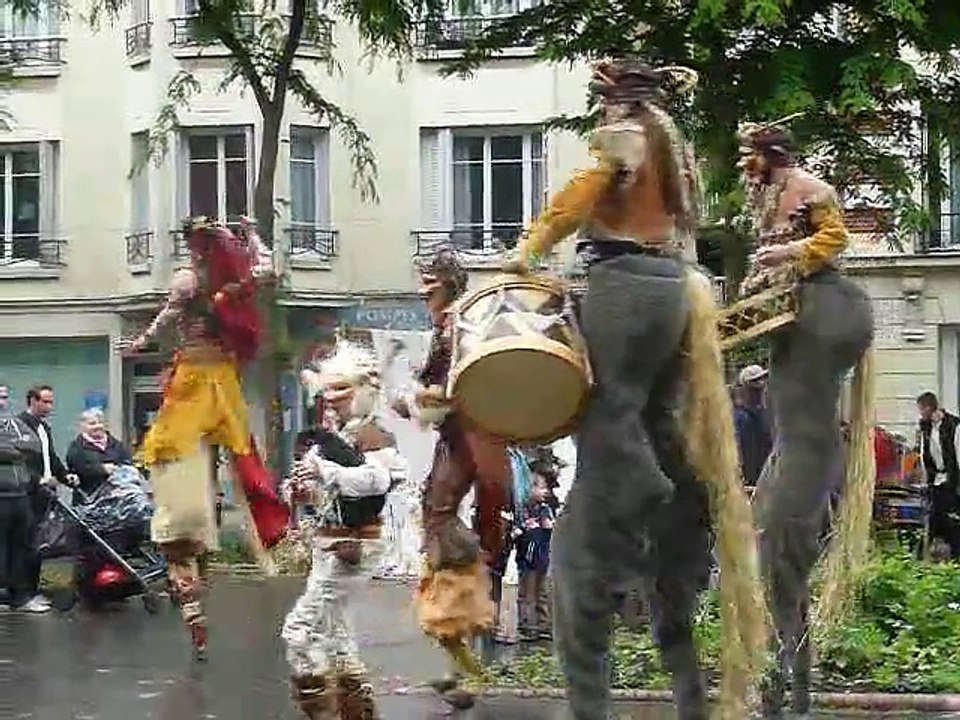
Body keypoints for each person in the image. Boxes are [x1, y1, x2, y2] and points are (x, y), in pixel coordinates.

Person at [503, 58, 767, 720]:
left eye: (600, 98)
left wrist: (532, 245)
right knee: (651, 410)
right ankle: (672, 478)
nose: (597, 109)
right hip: (671, 283)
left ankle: (643, 481)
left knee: (610, 411)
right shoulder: (668, 137)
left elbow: (586, 188)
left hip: (623, 280)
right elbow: (689, 213)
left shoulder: (626, 132)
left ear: (616, 96)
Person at [736, 115, 876, 717]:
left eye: (749, 157)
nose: (744, 166)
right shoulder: (766, 197)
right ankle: (787, 682)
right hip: (806, 317)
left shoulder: (808, 190)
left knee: (780, 539)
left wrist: (785, 252)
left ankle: (787, 681)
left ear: (770, 156)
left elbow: (832, 240)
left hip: (823, 309)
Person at [120, 218, 289, 659]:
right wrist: (254, 236)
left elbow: (170, 313)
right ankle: (253, 541)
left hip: (195, 383)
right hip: (224, 385)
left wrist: (141, 341)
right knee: (241, 457)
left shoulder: (191, 279)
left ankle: (192, 589)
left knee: (175, 460)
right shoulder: (233, 280)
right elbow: (269, 269)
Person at [394, 248, 513, 710]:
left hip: (472, 438)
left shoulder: (459, 324)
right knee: (442, 532)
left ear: (445, 282)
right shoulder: (447, 325)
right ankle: (460, 665)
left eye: (430, 280)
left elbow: (457, 386)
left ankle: (468, 664)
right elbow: (438, 390)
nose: (424, 289)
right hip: (460, 439)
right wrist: (420, 402)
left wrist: (424, 400)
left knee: (457, 539)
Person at [282, 339, 407, 720]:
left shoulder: (374, 434)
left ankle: (322, 713)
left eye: (341, 389)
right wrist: (301, 488)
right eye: (328, 390)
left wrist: (326, 471)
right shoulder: (337, 434)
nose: (332, 398)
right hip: (330, 543)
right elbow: (317, 491)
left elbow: (375, 481)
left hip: (353, 545)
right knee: (337, 638)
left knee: (299, 634)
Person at [18, 384, 73, 614]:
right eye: (46, 402)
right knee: (28, 544)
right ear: (33, 400)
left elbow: (51, 457)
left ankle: (33, 590)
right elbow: (20, 461)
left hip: (45, 495)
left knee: (40, 544)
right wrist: (38, 480)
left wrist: (65, 476)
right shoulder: (20, 426)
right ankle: (23, 594)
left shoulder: (44, 428)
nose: (50, 407)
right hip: (28, 494)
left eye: (51, 402)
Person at [0, 405, 42, 612]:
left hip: (20, 494)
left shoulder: (14, 423)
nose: (3, 401)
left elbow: (33, 445)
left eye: (5, 396)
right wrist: (16, 451)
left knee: (21, 547)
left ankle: (20, 597)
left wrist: (12, 448)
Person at [916, 391, 960, 559]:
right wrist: (925, 478)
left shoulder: (953, 425)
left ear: (929, 408)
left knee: (951, 520)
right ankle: (925, 555)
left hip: (951, 479)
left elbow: (958, 453)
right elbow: (924, 454)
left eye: (922, 410)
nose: (921, 414)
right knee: (935, 517)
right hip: (936, 480)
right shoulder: (925, 428)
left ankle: (955, 556)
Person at [515, 472, 555, 642]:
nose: (544, 491)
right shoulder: (523, 509)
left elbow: (551, 526)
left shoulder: (545, 509)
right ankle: (526, 626)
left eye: (545, 487)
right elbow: (518, 530)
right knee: (526, 594)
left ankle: (544, 625)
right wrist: (520, 529)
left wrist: (550, 525)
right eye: (540, 487)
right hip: (527, 560)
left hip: (542, 559)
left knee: (542, 592)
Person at [66, 408, 134, 497]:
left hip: (118, 497)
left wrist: (119, 469)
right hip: (88, 498)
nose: (97, 426)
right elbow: (77, 467)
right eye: (92, 424)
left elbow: (127, 462)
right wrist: (102, 469)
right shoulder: (77, 447)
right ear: (83, 426)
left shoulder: (116, 444)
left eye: (100, 423)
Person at [733, 364, 773, 488]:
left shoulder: (767, 414)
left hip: (768, 481)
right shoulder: (740, 418)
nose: (760, 384)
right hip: (750, 484)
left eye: (762, 379)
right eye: (754, 382)